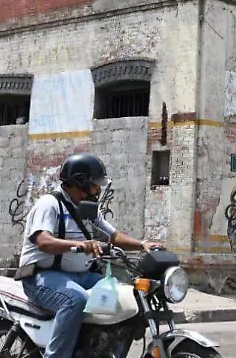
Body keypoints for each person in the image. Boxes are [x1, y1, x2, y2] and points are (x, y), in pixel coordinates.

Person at [18, 153, 162, 358]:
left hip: (81, 276)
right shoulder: (49, 205)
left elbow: (114, 236)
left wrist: (143, 244)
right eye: (95, 184)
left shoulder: (88, 209)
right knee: (74, 300)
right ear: (80, 181)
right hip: (41, 276)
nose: (98, 189)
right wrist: (81, 245)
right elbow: (44, 241)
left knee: (124, 297)